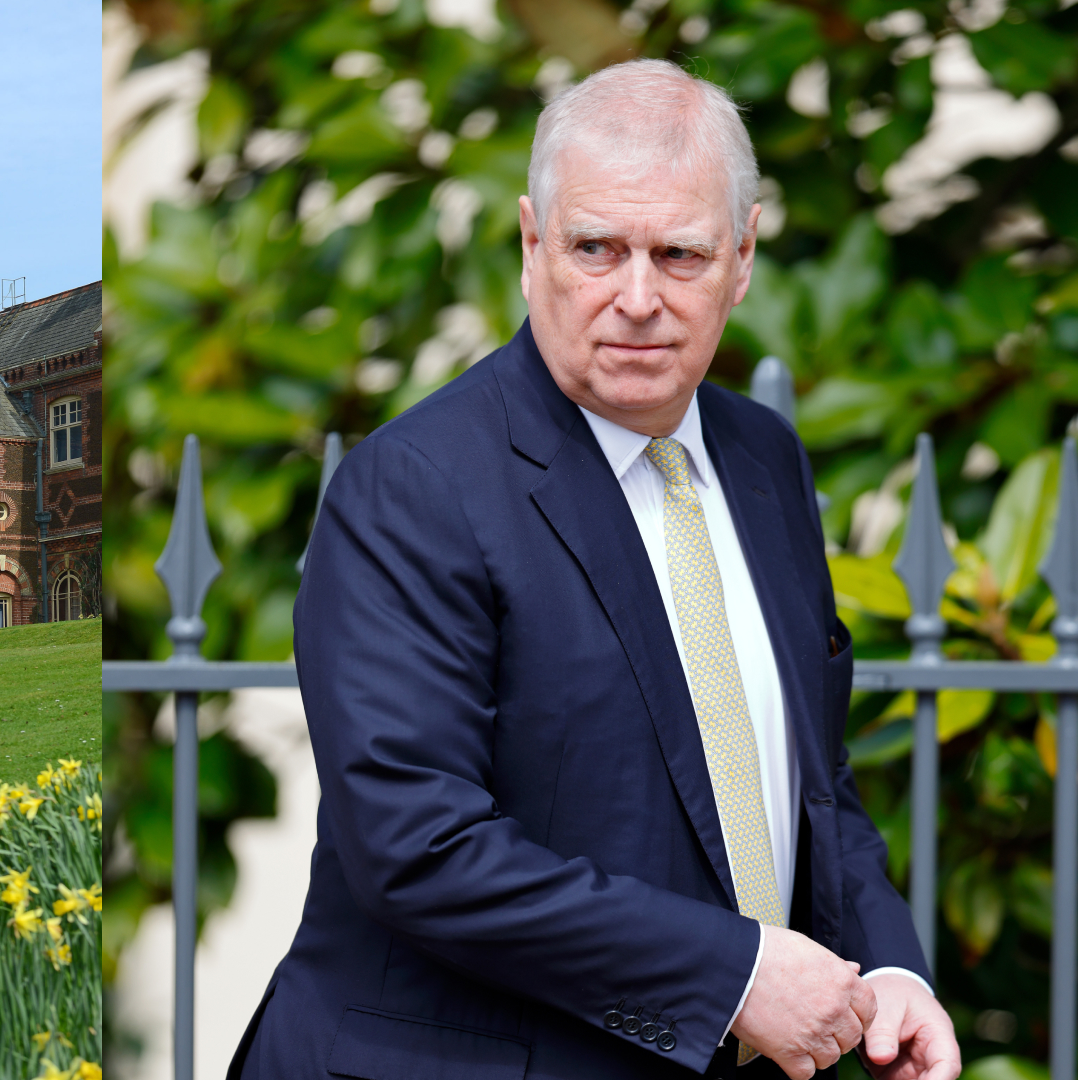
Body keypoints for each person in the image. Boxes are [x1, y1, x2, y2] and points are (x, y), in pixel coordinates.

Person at [230, 60, 959, 1080]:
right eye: (596, 249)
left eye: (680, 254)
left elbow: (808, 777)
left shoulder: (763, 460)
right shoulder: (415, 488)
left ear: (743, 257)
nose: (638, 298)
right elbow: (420, 846)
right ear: (533, 245)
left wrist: (888, 969)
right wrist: (736, 977)